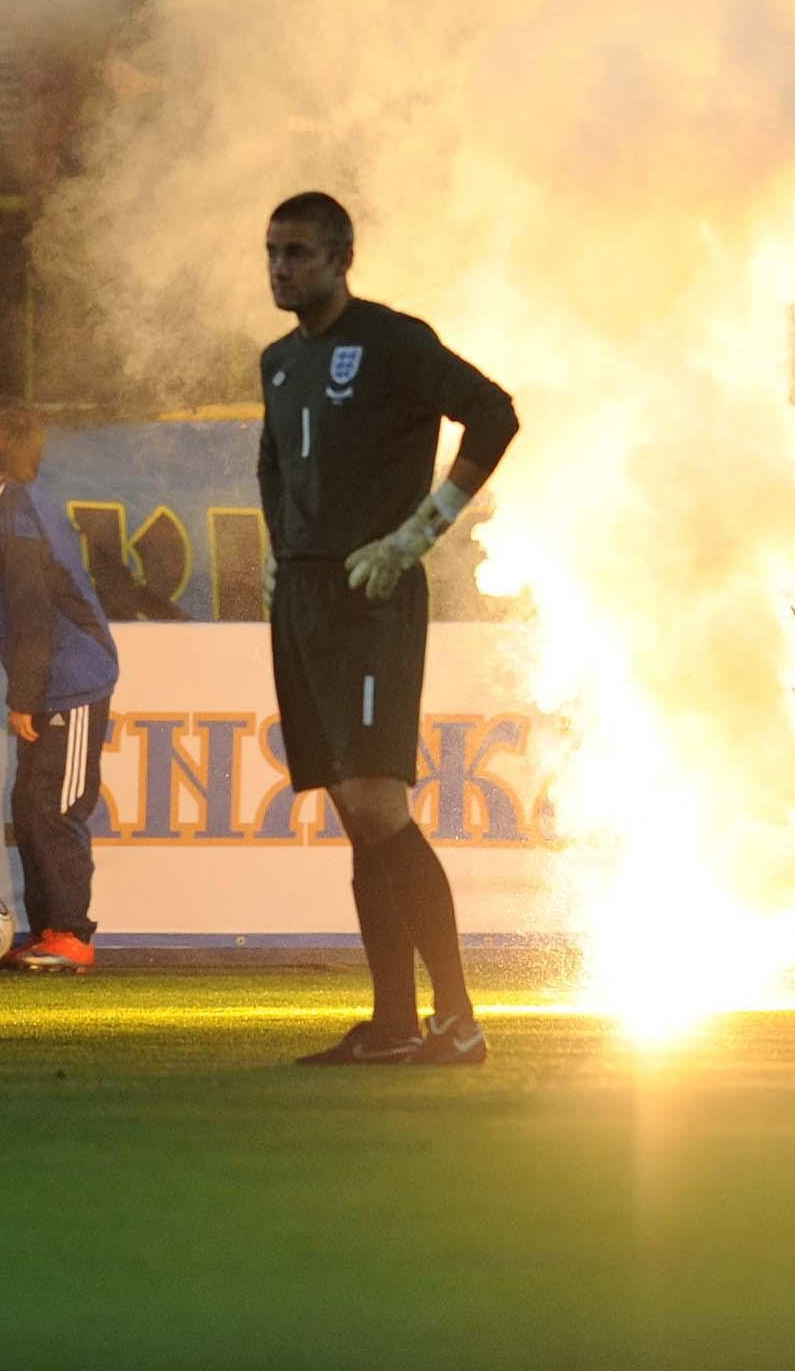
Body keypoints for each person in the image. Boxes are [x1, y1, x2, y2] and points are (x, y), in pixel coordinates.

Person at [259, 191, 517, 1066]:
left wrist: (418, 535)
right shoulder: (279, 362)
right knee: (352, 811)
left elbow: (495, 411)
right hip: (302, 595)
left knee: (377, 804)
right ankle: (396, 1025)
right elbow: (274, 462)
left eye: (298, 253)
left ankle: (459, 1019)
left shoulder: (395, 342)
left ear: (342, 257)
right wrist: (277, 550)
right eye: (273, 253)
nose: (281, 269)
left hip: (371, 597)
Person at [0, 395, 119, 973]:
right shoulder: (15, 505)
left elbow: (34, 611)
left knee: (57, 807)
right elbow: (18, 601)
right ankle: (51, 929)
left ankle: (73, 933)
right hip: (59, 677)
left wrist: (24, 697)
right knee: (31, 805)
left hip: (72, 682)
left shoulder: (15, 514)